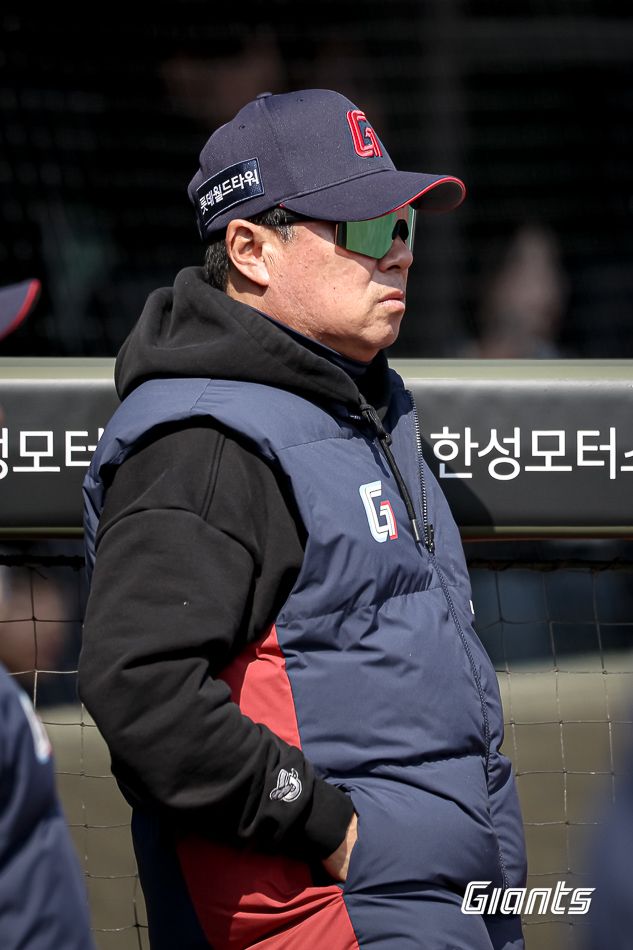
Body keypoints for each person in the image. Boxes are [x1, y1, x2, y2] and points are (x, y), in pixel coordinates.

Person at [79, 89, 527, 949]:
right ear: (249, 249)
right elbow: (141, 689)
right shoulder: (206, 437)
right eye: (364, 226)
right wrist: (331, 829)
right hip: (326, 914)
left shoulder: (355, 403)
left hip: (436, 901)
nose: (398, 251)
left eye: (404, 224)